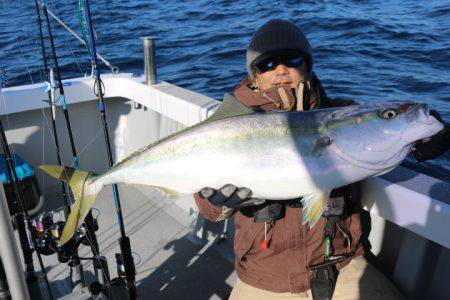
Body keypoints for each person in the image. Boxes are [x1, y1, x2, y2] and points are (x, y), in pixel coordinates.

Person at [194, 19, 450, 300]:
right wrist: (214, 201)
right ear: (253, 76)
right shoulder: (229, 127)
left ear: (308, 66)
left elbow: (377, 141)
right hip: (264, 276)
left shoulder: (343, 112)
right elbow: (208, 209)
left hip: (343, 267)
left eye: (292, 59)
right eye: (267, 63)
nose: (281, 70)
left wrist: (423, 135)